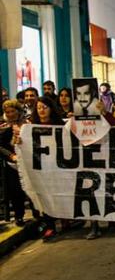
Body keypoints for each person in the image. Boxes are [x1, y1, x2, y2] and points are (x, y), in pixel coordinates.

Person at [26, 97, 65, 241]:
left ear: (51, 109)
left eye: (45, 107)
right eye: (39, 108)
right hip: (40, 168)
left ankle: (64, 219)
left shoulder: (59, 125)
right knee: (44, 195)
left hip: (57, 166)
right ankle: (50, 226)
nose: (42, 110)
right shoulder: (30, 127)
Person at [0, 100, 28, 226]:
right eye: (7, 112)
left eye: (13, 111)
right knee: (15, 191)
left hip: (28, 161)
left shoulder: (27, 124)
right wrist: (11, 155)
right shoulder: (3, 128)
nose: (10, 114)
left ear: (18, 111)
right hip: (12, 164)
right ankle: (19, 216)